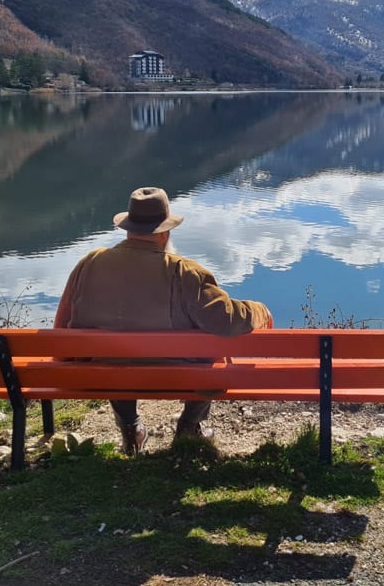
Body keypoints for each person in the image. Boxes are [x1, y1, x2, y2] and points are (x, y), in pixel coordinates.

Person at [54, 186, 273, 456]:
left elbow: (60, 328)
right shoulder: (185, 272)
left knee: (114, 352)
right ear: (165, 233)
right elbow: (226, 320)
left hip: (101, 376)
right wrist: (260, 311)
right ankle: (189, 427)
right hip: (177, 376)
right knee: (213, 355)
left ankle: (131, 429)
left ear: (128, 228)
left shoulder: (89, 264)